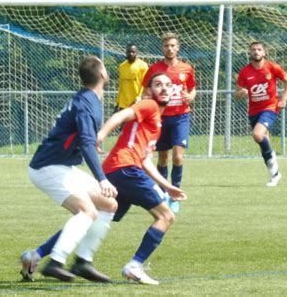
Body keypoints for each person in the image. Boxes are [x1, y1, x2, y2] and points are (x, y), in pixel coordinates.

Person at [20, 56, 118, 283]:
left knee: (108, 204)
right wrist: (102, 179)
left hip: (61, 165)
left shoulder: (88, 99)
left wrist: (92, 143)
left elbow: (84, 139)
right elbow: (85, 142)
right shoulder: (87, 103)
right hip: (48, 167)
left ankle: (79, 261)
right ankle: (56, 262)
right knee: (87, 212)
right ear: (102, 74)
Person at [99, 73, 187, 285]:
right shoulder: (148, 105)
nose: (164, 88)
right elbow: (120, 116)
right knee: (166, 217)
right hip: (126, 168)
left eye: (168, 85)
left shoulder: (157, 121)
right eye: (158, 84)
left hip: (118, 169)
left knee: (96, 217)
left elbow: (146, 160)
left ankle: (40, 254)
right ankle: (135, 266)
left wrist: (167, 187)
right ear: (148, 91)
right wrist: (100, 135)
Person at [142, 32, 196, 213]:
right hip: (161, 118)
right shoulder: (154, 69)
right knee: (163, 157)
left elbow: (193, 89)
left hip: (181, 116)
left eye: (173, 45)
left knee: (178, 156)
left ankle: (175, 191)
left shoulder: (186, 69)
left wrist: (190, 96)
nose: (170, 49)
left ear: (178, 47)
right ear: (162, 48)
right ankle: (163, 190)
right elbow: (146, 92)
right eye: (166, 46)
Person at [235, 41, 287, 187]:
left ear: (264, 52)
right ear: (249, 53)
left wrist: (284, 98)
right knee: (263, 142)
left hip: (270, 107)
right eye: (253, 50)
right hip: (254, 111)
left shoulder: (272, 67)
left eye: (259, 49)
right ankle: (275, 174)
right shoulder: (244, 72)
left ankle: (274, 163)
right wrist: (240, 93)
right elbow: (238, 93)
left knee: (257, 135)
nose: (256, 52)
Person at [114, 43, 149, 113]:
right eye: (129, 52)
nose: (131, 54)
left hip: (137, 103)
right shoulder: (122, 66)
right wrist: (117, 103)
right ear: (126, 52)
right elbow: (121, 85)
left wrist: (140, 97)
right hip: (123, 104)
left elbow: (145, 84)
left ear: (137, 53)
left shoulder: (143, 66)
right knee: (124, 124)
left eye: (133, 52)